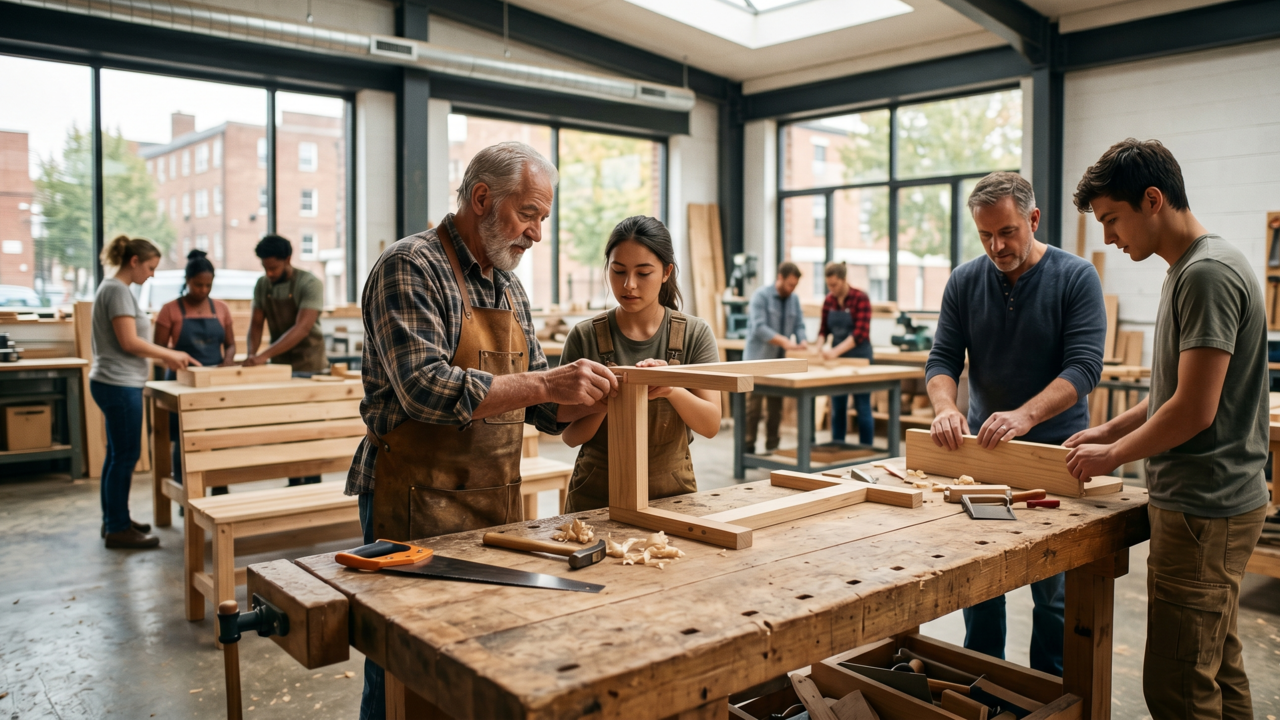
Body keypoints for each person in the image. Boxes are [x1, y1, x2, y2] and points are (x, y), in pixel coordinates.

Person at [347, 141, 618, 720]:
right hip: (414, 498)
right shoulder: (410, 266)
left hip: (493, 499)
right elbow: (424, 388)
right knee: (402, 663)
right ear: (480, 198)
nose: (536, 234)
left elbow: (543, 410)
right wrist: (547, 383)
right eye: (528, 214)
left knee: (480, 656)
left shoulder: (508, 286)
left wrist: (605, 393)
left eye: (542, 219)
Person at [1065, 139, 1268, 719]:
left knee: (1178, 687)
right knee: (1216, 666)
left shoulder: (1206, 274)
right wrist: (1107, 432)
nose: (1108, 237)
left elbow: (1194, 410)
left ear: (1152, 200)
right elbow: (1169, 393)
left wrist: (1113, 458)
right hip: (1210, 505)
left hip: (1205, 509)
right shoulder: (1190, 268)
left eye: (1112, 219)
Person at [926, 171, 1105, 675]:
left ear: (1034, 219)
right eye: (985, 235)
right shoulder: (964, 281)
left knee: (1053, 597)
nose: (996, 246)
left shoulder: (1076, 277)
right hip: (985, 458)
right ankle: (985, 685)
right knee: (981, 584)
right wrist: (946, 407)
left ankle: (1049, 690)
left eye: (1007, 232)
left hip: (1057, 459)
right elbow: (942, 359)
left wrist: (1026, 415)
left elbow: (1084, 367)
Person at [560, 216, 721, 512]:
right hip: (596, 496)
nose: (629, 285)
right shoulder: (584, 336)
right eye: (618, 271)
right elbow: (570, 436)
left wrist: (672, 389)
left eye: (643, 273)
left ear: (666, 272)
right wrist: (607, 401)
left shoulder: (695, 334)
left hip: (673, 495)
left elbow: (711, 424)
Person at [90, 235, 199, 548]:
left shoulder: (113, 288)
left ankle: (115, 519)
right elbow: (129, 342)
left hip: (113, 381)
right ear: (134, 261)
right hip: (119, 384)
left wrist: (165, 356)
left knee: (116, 455)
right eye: (150, 267)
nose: (152, 274)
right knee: (125, 456)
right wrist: (170, 354)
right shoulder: (117, 290)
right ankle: (117, 528)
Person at [245, 234, 326, 486]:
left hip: (310, 364)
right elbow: (256, 324)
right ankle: (293, 482)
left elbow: (302, 328)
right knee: (287, 426)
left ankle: (312, 482)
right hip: (280, 367)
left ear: (288, 259)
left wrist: (264, 355)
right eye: (265, 268)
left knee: (310, 429)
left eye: (274, 268)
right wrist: (251, 354)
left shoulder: (309, 283)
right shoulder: (262, 285)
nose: (269, 273)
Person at [154, 250, 236, 496]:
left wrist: (227, 362)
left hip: (214, 382)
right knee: (185, 438)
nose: (203, 290)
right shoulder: (170, 310)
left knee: (218, 436)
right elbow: (159, 350)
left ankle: (220, 490)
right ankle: (186, 492)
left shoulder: (221, 308)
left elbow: (230, 344)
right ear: (187, 281)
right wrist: (176, 362)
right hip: (182, 382)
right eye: (198, 285)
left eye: (208, 285)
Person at [743, 262, 807, 454]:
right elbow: (759, 328)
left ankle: (772, 447)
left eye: (795, 285)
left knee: (775, 407)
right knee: (753, 408)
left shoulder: (794, 299)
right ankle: (747, 447)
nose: (792, 288)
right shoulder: (761, 296)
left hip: (779, 364)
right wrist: (784, 341)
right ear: (780, 278)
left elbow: (799, 324)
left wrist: (803, 340)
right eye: (790, 284)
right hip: (757, 361)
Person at [818, 262, 873, 446]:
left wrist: (834, 352)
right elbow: (823, 330)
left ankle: (867, 451)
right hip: (838, 362)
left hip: (860, 359)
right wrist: (818, 348)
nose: (831, 289)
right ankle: (838, 447)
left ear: (843, 280)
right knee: (838, 407)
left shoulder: (860, 298)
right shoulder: (829, 300)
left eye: (834, 284)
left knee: (862, 407)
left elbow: (859, 334)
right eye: (829, 285)